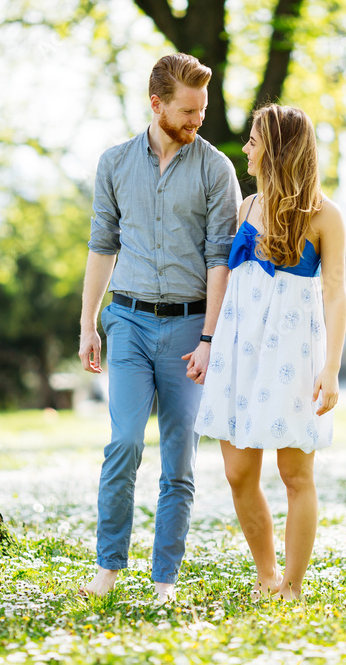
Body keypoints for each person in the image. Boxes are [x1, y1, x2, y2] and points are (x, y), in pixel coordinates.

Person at [77, 53, 242, 603]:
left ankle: (165, 578)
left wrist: (209, 338)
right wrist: (89, 323)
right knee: (123, 442)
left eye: (202, 109)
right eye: (188, 110)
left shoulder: (216, 169)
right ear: (157, 104)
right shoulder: (115, 163)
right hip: (126, 320)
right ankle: (109, 565)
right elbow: (103, 245)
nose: (198, 120)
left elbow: (221, 259)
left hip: (189, 328)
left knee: (180, 458)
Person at [193, 104, 346, 601]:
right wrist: (211, 343)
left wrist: (331, 368)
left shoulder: (325, 215)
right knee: (238, 472)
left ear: (278, 148)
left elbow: (336, 291)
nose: (247, 149)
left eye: (255, 140)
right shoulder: (248, 207)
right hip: (242, 349)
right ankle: (265, 575)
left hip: (294, 351)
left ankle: (293, 586)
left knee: (294, 473)